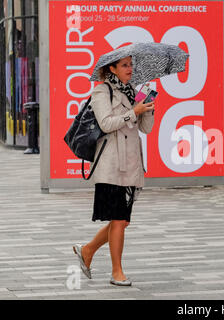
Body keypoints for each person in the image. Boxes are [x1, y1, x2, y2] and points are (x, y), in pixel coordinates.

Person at [73, 56, 155, 286]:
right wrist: (133, 111)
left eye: (131, 65)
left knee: (122, 220)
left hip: (131, 164)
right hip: (110, 165)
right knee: (119, 219)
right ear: (112, 68)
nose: (130, 69)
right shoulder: (102, 91)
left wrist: (147, 108)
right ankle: (117, 271)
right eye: (125, 65)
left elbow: (146, 129)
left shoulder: (133, 92)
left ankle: (87, 250)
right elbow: (106, 124)